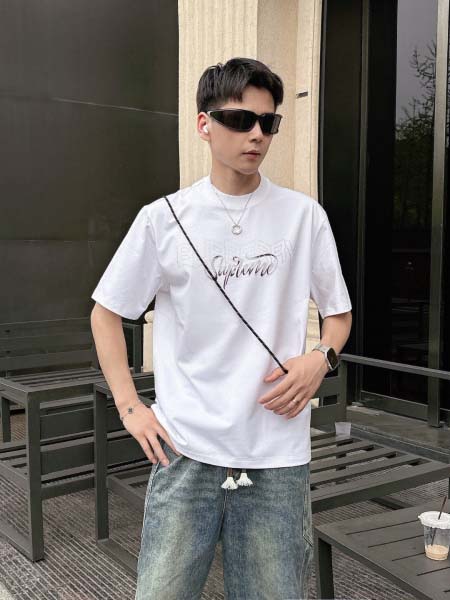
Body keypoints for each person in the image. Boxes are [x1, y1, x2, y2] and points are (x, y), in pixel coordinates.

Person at [90, 57, 352, 600]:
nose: (256, 134)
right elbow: (106, 311)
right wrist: (131, 408)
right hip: (185, 449)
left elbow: (339, 314)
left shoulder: (304, 217)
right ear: (204, 124)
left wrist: (320, 358)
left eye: (268, 122)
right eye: (240, 120)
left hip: (276, 455)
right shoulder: (164, 218)